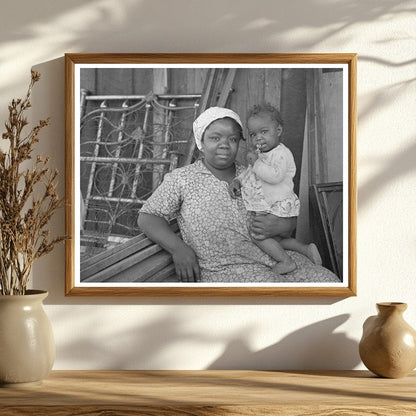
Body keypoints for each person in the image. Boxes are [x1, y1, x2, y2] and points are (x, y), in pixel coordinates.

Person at [138, 106, 338, 283]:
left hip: (279, 258)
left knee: (328, 281)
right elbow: (148, 216)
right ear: (201, 142)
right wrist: (178, 249)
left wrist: (285, 224)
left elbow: (283, 210)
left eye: (232, 139)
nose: (224, 144)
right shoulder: (181, 179)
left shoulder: (254, 172)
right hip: (230, 270)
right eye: (215, 138)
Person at [229, 104, 322, 274]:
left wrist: (256, 163)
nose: (258, 138)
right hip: (271, 204)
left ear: (278, 130)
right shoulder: (262, 155)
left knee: (258, 236)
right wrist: (238, 181)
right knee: (276, 238)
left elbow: (275, 176)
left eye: (264, 132)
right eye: (253, 134)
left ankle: (286, 261)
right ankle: (306, 249)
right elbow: (251, 173)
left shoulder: (281, 154)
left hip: (278, 204)